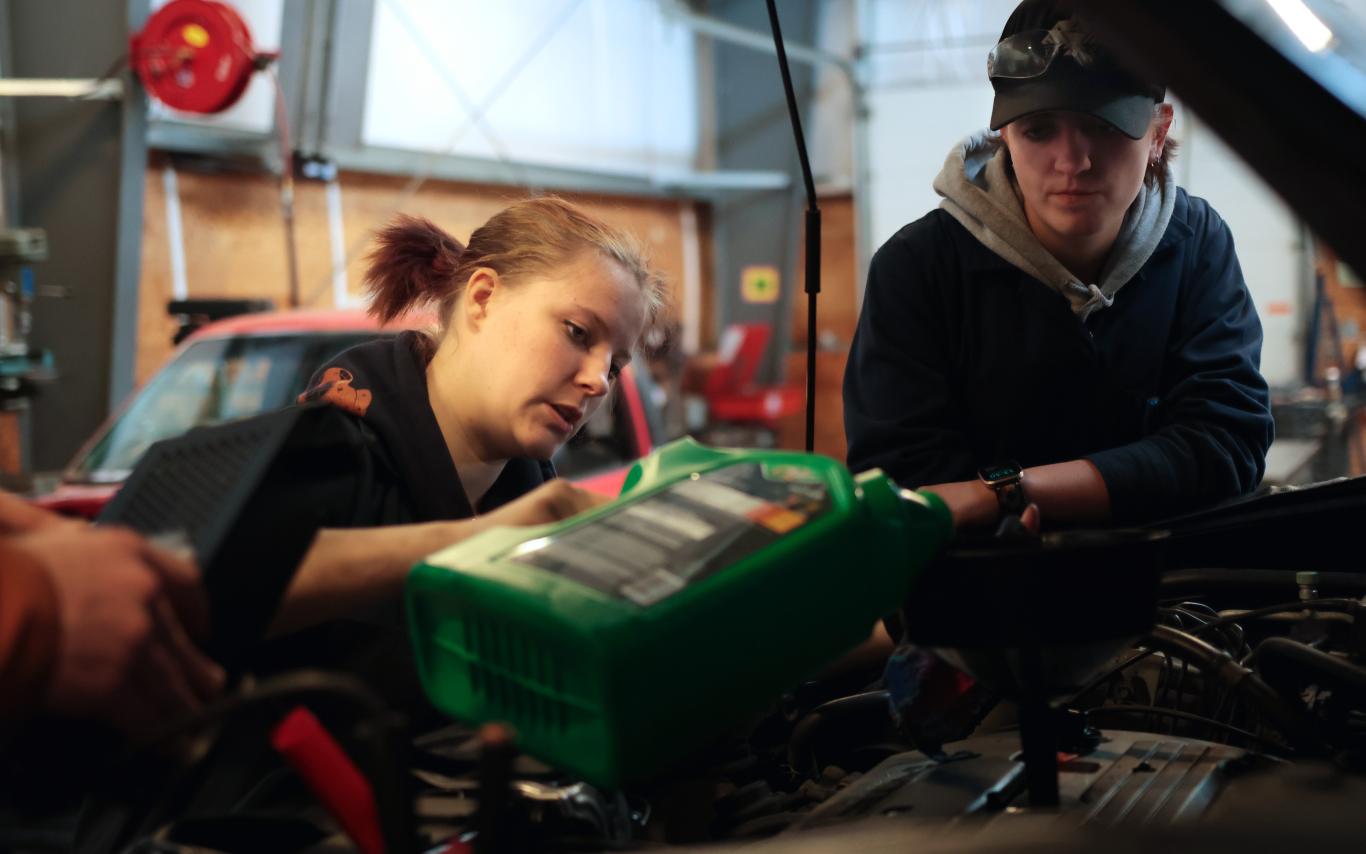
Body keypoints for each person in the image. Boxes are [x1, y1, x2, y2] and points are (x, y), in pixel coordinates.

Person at [843, 0, 1273, 530]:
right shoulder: (919, 267)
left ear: (1158, 134)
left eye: (1105, 127)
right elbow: (902, 483)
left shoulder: (1197, 244)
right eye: (1039, 130)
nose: (1073, 162)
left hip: (1171, 591)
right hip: (984, 592)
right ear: (1004, 135)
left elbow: (1229, 441)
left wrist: (1008, 494)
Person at [272, 196, 667, 632]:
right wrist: (492, 539)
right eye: (577, 332)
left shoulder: (531, 485)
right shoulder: (331, 448)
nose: (599, 381)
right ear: (482, 298)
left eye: (614, 365)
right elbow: (236, 584)